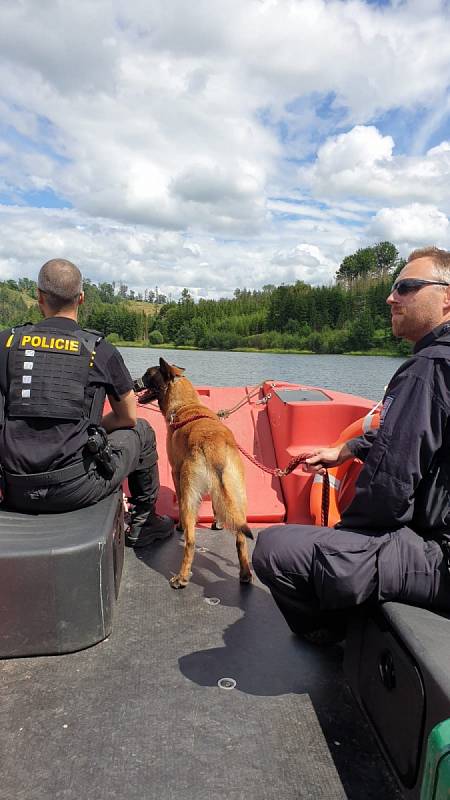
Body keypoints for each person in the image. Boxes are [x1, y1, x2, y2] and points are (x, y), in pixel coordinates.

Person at [253, 246, 450, 644]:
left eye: (407, 287)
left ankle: (340, 638)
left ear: (447, 298)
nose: (391, 297)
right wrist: (346, 450)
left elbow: (388, 488)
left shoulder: (428, 370)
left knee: (273, 549)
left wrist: (346, 538)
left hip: (440, 559)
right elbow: (418, 435)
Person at [0, 258, 174, 548]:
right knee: (142, 431)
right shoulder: (100, 349)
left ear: (38, 297)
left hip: (13, 487)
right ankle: (144, 524)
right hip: (75, 488)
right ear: (81, 298)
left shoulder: (7, 342)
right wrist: (96, 427)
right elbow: (128, 417)